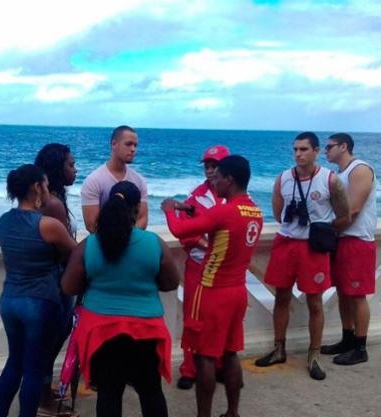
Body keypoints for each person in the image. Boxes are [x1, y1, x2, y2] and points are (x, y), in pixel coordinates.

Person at [62, 181, 179, 417]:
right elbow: (171, 283)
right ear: (136, 210)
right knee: (151, 391)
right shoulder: (154, 243)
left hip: (101, 330)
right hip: (145, 329)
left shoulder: (89, 245)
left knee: (108, 393)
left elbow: (68, 286)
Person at [161, 155, 263, 417]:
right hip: (238, 290)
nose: (213, 181)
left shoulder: (224, 211)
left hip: (211, 290)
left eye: (217, 177)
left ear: (229, 180)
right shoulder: (254, 211)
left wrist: (170, 209)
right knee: (230, 353)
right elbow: (219, 226)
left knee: (203, 355)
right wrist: (191, 209)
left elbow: (180, 232)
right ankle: (232, 412)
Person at [254, 132, 350, 381]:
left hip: (313, 248)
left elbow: (343, 216)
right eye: (295, 149)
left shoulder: (330, 180)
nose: (298, 154)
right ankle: (279, 348)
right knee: (281, 297)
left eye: (304, 149)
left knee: (315, 302)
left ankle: (314, 354)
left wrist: (321, 231)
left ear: (316, 151)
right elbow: (277, 212)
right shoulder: (283, 178)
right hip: (286, 244)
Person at [0, 164, 77, 417]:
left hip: (9, 300)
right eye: (46, 185)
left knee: (14, 363)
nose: (49, 191)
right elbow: (76, 253)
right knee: (33, 368)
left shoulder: (4, 222)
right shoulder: (48, 225)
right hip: (40, 301)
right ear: (37, 188)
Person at [162, 144, 230, 390]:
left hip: (225, 269)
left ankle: (220, 365)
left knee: (220, 319)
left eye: (215, 166)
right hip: (199, 266)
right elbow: (186, 235)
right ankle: (189, 369)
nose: (210, 171)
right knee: (193, 319)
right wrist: (207, 243)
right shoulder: (194, 197)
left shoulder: (235, 195)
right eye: (207, 166)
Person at [321, 133, 377, 365]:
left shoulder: (360, 170)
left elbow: (353, 210)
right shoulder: (340, 174)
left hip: (357, 240)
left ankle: (360, 347)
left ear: (344, 147)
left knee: (357, 295)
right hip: (342, 239)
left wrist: (326, 228)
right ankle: (347, 338)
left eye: (330, 147)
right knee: (343, 292)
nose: (326, 151)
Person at [34, 144, 79, 415]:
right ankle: (44, 400)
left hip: (53, 278)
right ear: (57, 169)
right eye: (71, 165)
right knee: (52, 338)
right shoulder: (53, 203)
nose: (75, 169)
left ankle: (41, 391)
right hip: (57, 280)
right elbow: (65, 249)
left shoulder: (51, 198)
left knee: (52, 337)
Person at [81, 125, 148, 233]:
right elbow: (91, 225)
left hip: (132, 244)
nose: (133, 149)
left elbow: (142, 219)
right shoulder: (94, 181)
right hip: (104, 245)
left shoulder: (139, 180)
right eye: (128, 144)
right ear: (114, 144)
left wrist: (129, 240)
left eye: (135, 145)